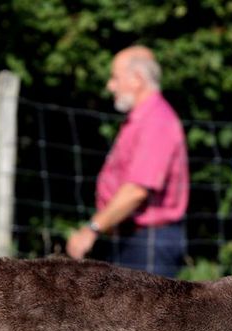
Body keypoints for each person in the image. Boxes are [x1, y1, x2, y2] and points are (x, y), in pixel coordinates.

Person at [66, 45, 189, 278]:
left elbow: (137, 190)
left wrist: (92, 229)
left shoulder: (156, 121)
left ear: (137, 79)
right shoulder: (139, 119)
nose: (110, 86)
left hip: (149, 243)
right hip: (132, 238)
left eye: (115, 78)